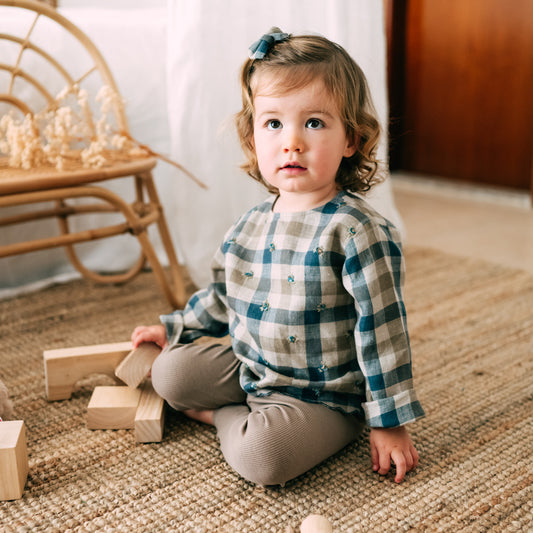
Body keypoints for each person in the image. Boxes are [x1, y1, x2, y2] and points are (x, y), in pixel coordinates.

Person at [132, 28, 425, 486]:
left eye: (313, 123)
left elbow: (384, 331)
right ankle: (248, 407)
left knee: (263, 458)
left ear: (351, 138)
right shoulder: (249, 222)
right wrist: (176, 327)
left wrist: (388, 421)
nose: (292, 142)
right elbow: (224, 294)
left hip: (323, 395)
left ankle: (225, 418)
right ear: (253, 139)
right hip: (254, 364)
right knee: (168, 372)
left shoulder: (356, 231)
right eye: (274, 124)